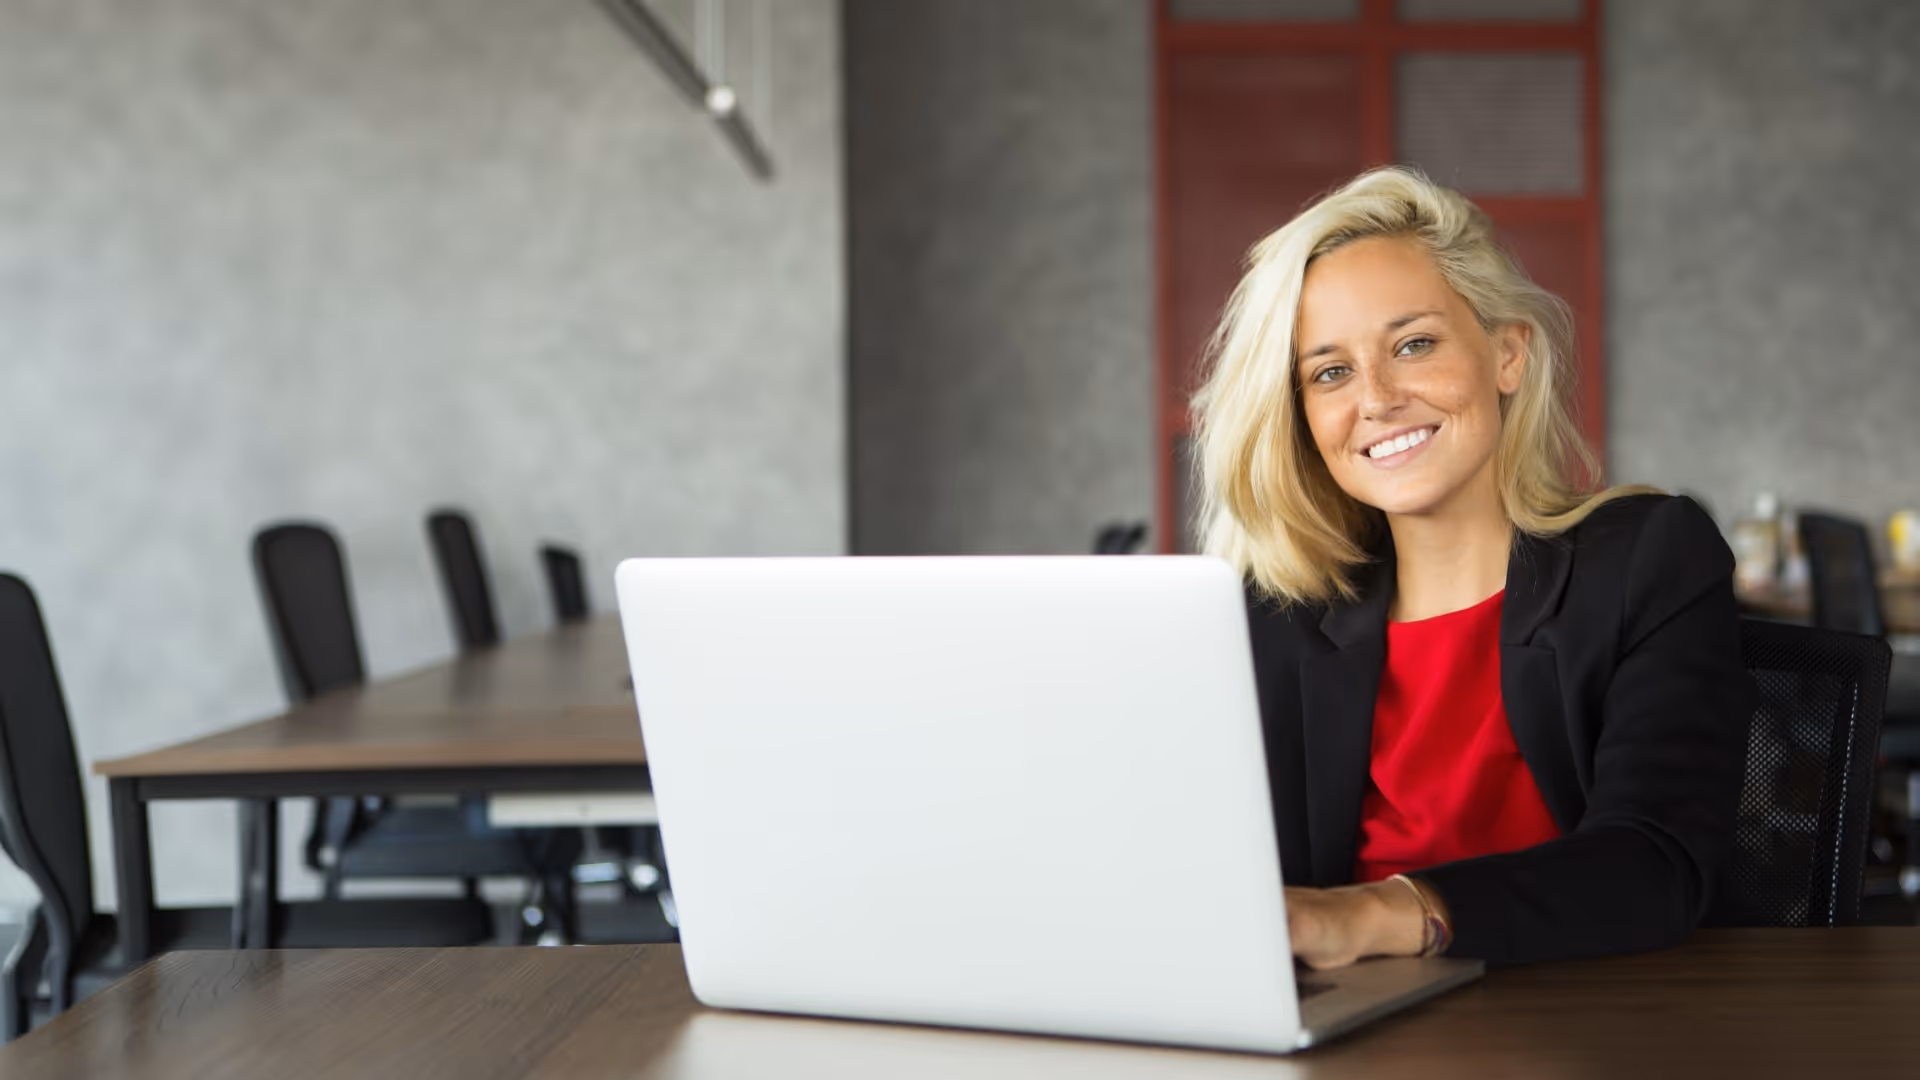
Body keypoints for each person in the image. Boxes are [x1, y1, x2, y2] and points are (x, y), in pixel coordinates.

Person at [1190, 166, 1755, 969]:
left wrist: (1366, 916)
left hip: (1598, 1027)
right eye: (1330, 372)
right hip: (1350, 1041)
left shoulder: (1648, 558)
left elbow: (1654, 864)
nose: (1377, 398)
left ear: (1507, 355)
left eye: (1413, 344)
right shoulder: (1275, 612)